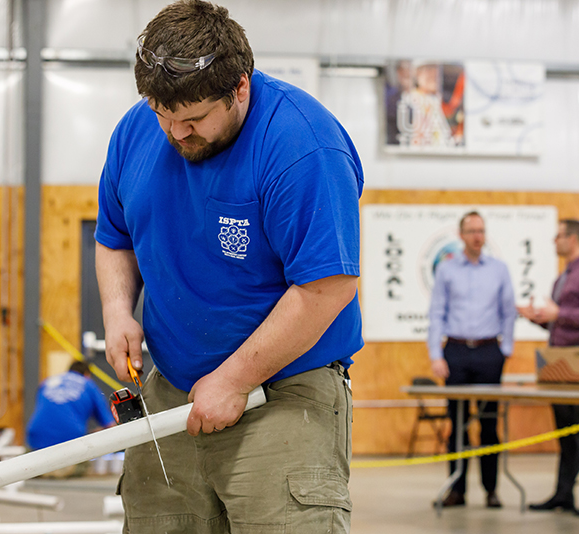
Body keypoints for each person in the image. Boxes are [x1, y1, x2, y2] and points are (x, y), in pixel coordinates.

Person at [94, 1, 363, 532]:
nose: (176, 133)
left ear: (239, 87)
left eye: (193, 119)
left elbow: (327, 287)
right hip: (171, 387)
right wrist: (117, 310)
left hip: (283, 391)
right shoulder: (136, 131)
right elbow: (114, 237)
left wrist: (235, 378)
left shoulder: (303, 145)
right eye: (163, 116)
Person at [517, 219, 579, 516]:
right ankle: (563, 494)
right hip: (559, 363)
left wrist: (558, 312)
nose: (554, 241)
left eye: (558, 236)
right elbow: (562, 319)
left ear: (573, 239)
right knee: (566, 433)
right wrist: (538, 317)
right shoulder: (563, 277)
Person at [427, 211, 516, 509]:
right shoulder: (447, 270)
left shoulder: (499, 269)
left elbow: (508, 311)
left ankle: (491, 490)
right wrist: (436, 355)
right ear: (461, 235)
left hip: (490, 352)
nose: (477, 236)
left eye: (481, 230)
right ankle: (457, 489)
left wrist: (505, 350)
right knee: (458, 423)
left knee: (489, 424)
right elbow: (437, 313)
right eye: (471, 230)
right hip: (456, 353)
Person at [26, 361, 115, 476]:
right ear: (87, 374)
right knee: (81, 467)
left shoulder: (48, 381)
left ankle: (42, 471)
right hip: (70, 442)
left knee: (35, 464)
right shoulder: (88, 384)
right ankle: (62, 472)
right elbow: (109, 425)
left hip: (36, 439)